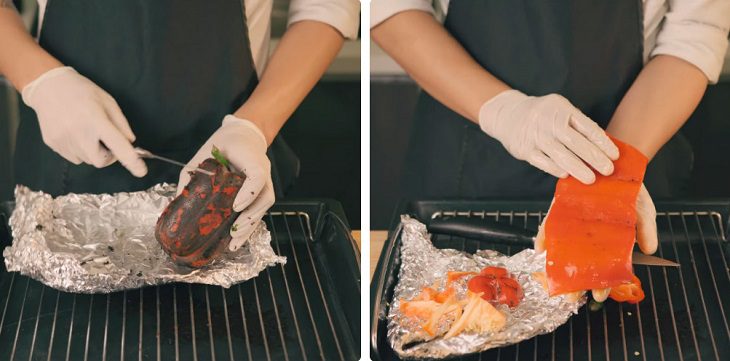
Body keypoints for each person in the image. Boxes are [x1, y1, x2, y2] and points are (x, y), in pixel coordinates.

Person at [371, 0, 730, 300]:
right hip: (466, 154)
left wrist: (614, 170)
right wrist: (504, 110)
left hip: (634, 133)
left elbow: (694, 32)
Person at [0, 0, 359, 250]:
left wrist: (254, 126)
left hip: (235, 166)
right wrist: (40, 80)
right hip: (68, 164)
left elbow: (326, 5)